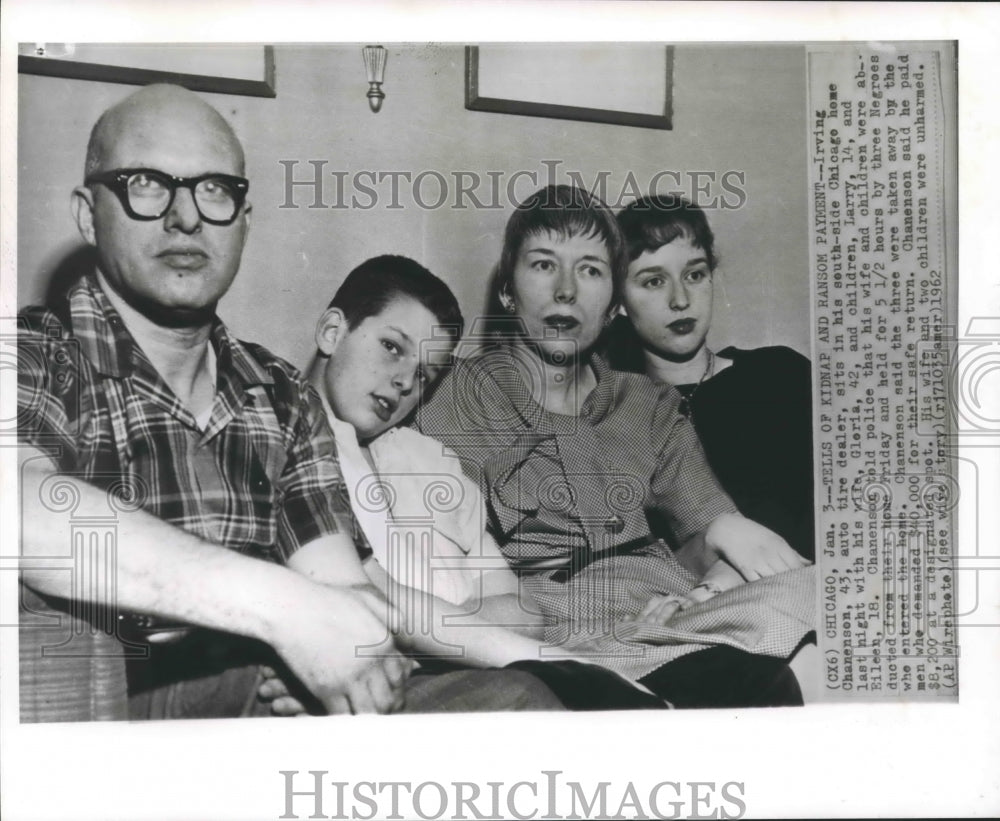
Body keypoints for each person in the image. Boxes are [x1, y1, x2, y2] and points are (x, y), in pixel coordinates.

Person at [16, 84, 560, 721]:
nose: (186, 217)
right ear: (88, 213)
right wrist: (287, 615)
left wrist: (567, 668)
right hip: (100, 708)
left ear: (244, 223)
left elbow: (343, 587)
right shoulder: (34, 352)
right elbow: (22, 510)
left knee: (527, 705)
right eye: (146, 183)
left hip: (264, 709)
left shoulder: (280, 393)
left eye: (215, 188)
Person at [415, 185, 815, 708]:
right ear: (509, 292)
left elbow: (703, 528)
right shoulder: (454, 397)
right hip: (554, 627)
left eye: (590, 271)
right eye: (543, 265)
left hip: (669, 611)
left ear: (611, 306)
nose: (565, 292)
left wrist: (694, 586)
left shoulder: (647, 403)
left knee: (828, 598)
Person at [259, 254, 670, 713]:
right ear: (332, 332)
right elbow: (367, 593)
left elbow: (522, 612)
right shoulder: (283, 426)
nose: (401, 382)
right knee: (536, 701)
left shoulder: (435, 463)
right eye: (392, 347)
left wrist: (422, 641)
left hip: (435, 672)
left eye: (423, 375)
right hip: (395, 681)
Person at [606, 195, 814, 561]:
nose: (681, 299)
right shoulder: (617, 414)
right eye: (654, 282)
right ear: (619, 300)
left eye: (695, 275)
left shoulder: (782, 376)